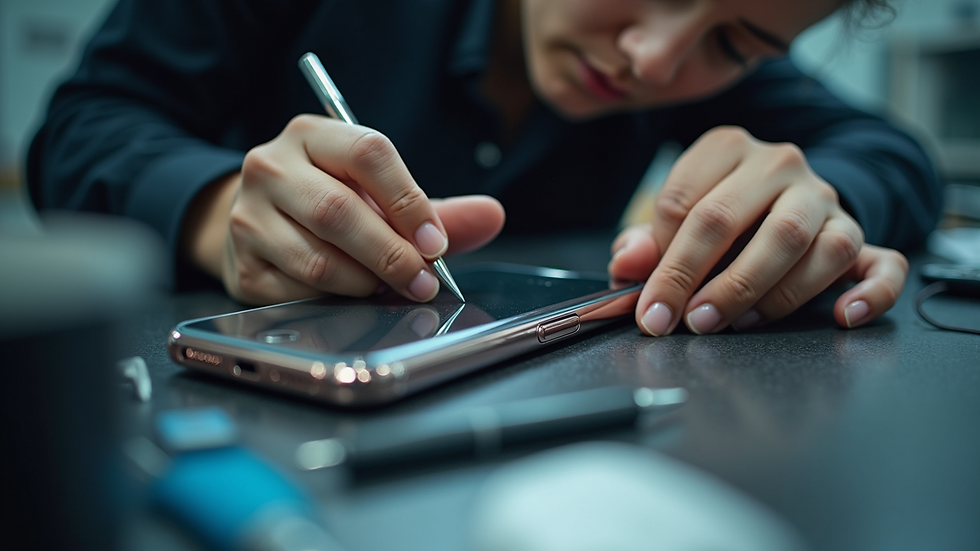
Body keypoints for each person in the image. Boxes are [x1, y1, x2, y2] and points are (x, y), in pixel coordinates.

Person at [28, 0, 941, 336]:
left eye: (734, 42)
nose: (654, 61)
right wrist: (216, 207)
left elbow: (892, 152)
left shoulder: (686, 45)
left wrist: (818, 209)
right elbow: (83, 123)